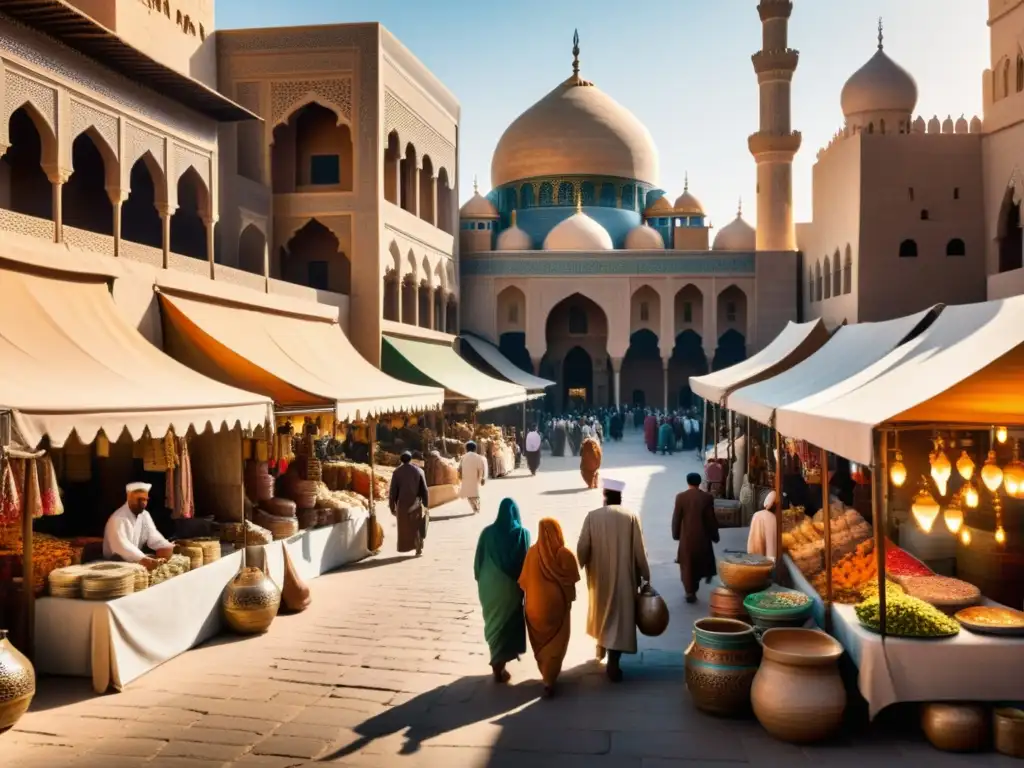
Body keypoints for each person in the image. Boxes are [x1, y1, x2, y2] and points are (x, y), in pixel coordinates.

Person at [576, 478, 651, 683]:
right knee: (620, 618)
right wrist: (646, 574)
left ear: (604, 497)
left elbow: (582, 548)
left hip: (600, 579)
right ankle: (613, 660)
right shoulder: (631, 517)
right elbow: (639, 551)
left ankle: (602, 649)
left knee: (603, 612)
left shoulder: (592, 517)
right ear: (620, 497)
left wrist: (575, 569)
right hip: (625, 579)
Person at [519, 517, 580, 697]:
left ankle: (545, 673)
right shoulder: (565, 553)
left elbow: (523, 582)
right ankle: (550, 679)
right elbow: (572, 582)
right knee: (556, 644)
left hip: (534, 610)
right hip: (557, 609)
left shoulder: (531, 553)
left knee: (541, 643)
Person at [474, 498, 530, 683]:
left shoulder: (487, 533)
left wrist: (482, 581)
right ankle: (501, 663)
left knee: (493, 622)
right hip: (511, 587)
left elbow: (477, 563)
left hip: (488, 586)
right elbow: (526, 563)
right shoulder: (522, 534)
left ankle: (497, 662)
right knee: (508, 622)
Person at [672, 472, 720, 603]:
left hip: (686, 536)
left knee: (687, 565)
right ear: (699, 483)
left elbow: (677, 518)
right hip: (702, 536)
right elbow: (711, 519)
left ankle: (689, 591)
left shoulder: (680, 497)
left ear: (688, 482)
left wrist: (676, 535)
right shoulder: (707, 497)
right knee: (701, 561)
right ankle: (701, 579)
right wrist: (714, 535)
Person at [103, 482, 174, 570]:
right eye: (139, 500)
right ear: (129, 498)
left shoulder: (145, 515)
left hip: (134, 560)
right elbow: (120, 546)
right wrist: (142, 559)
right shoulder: (117, 518)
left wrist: (165, 546)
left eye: (145, 500)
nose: (143, 503)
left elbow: (153, 535)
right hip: (114, 563)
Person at [389, 451, 429, 556]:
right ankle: (418, 543)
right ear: (410, 459)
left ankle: (411, 545)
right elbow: (424, 489)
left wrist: (392, 506)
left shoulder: (397, 472)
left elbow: (393, 491)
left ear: (401, 460)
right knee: (416, 524)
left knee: (406, 528)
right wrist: (426, 504)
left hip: (402, 504)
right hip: (416, 502)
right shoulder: (419, 471)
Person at [747, 490, 779, 560]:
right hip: (769, 518)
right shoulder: (771, 517)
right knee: (770, 547)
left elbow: (766, 504)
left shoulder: (757, 515)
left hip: (755, 556)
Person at [459, 441, 488, 514]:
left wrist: (460, 477)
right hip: (475, 478)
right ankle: (477, 507)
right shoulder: (478, 457)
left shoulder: (463, 457)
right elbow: (481, 468)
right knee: (475, 493)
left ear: (466, 449)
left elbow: (460, 468)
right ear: (475, 449)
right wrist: (482, 478)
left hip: (465, 478)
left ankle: (474, 508)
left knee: (469, 494)